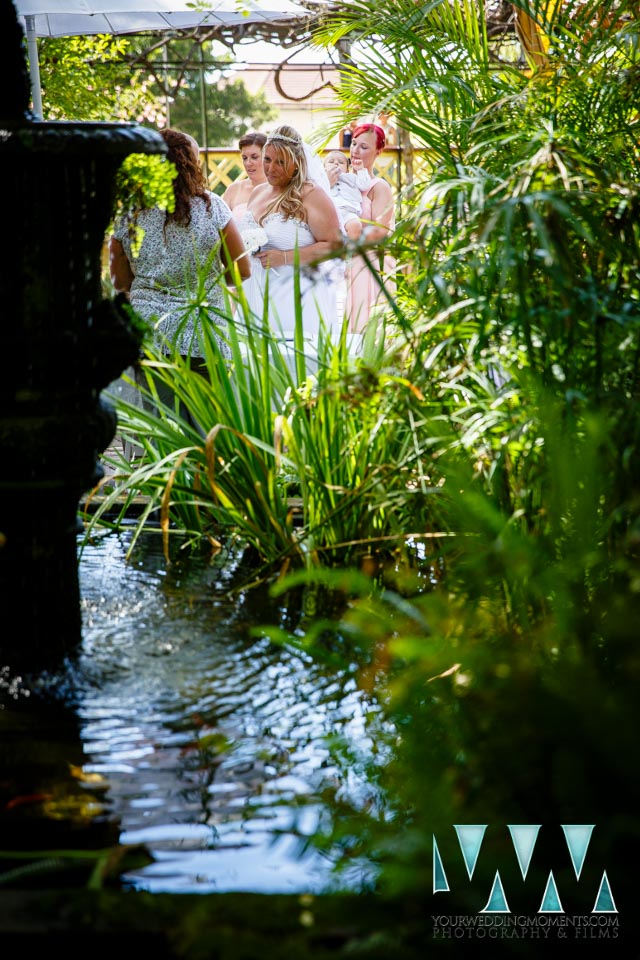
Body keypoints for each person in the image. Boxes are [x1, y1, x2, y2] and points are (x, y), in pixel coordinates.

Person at [109, 127, 250, 423]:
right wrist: (204, 282)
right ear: (190, 163)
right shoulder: (212, 208)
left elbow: (120, 282)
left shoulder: (130, 213)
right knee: (208, 428)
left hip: (151, 334)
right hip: (204, 329)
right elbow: (241, 269)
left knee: (160, 426)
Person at [239, 123, 343, 372]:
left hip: (295, 300)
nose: (270, 168)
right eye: (267, 159)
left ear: (296, 162)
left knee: (293, 370)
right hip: (256, 297)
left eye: (280, 162)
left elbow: (336, 246)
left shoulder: (311, 194)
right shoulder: (258, 193)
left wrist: (284, 256)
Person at [339, 123, 396, 335]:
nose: (355, 151)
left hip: (366, 264)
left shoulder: (378, 187)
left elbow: (380, 231)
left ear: (378, 152)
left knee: (364, 327)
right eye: (354, 144)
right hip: (337, 263)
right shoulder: (341, 184)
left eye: (364, 147)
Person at [323, 150, 370, 242]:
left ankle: (349, 252)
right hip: (329, 213)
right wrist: (326, 182)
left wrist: (360, 170)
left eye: (341, 162)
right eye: (331, 161)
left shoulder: (351, 178)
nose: (336, 163)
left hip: (348, 212)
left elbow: (365, 185)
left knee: (356, 225)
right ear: (323, 167)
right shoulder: (321, 179)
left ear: (347, 170)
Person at [222, 130, 267, 225]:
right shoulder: (233, 190)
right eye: (244, 158)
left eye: (254, 157)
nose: (248, 163)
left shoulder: (279, 189)